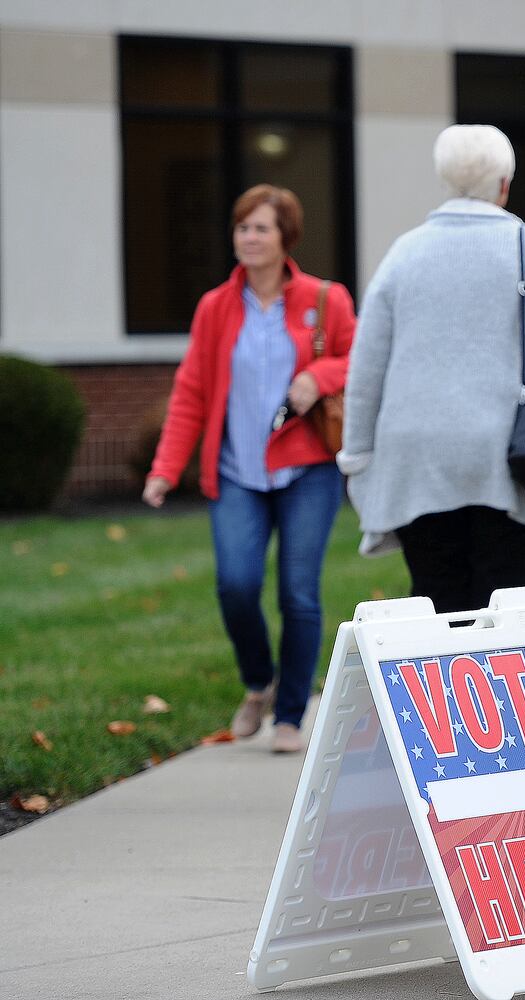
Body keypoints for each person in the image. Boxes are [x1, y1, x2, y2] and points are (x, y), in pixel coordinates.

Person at [338, 124, 525, 614]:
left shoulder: (403, 254)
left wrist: (357, 456)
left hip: (416, 457)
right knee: (506, 606)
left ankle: (438, 692)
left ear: (445, 178)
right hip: (510, 458)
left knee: (436, 601)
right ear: (504, 183)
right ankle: (493, 693)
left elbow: (367, 367)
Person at [143, 184, 355, 753]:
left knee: (299, 595)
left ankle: (289, 715)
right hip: (237, 470)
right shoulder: (216, 306)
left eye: (261, 228)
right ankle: (259, 682)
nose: (249, 237)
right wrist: (166, 468)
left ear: (286, 235)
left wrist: (321, 377)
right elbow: (190, 391)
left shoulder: (324, 299)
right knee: (236, 586)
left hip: (307, 469)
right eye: (242, 227)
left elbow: (358, 357)